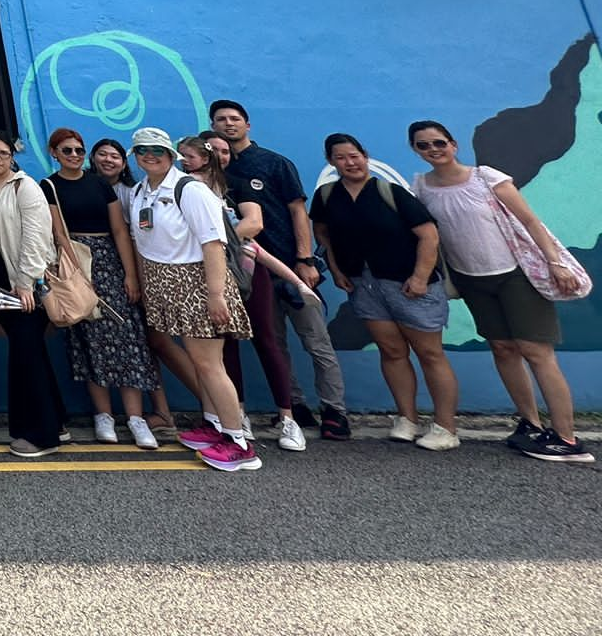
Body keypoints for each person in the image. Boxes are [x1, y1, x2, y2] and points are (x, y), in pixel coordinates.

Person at [408, 118, 591, 462]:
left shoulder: (487, 178)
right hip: (471, 280)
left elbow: (531, 221)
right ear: (415, 151)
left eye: (439, 143)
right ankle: (531, 424)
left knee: (537, 353)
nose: (433, 150)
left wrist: (555, 262)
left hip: (515, 276)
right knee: (503, 349)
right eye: (423, 145)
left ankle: (566, 439)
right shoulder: (421, 188)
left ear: (453, 145)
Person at [310, 133, 458, 451]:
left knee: (430, 354)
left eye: (354, 155)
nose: (350, 163)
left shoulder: (391, 193)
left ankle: (446, 427)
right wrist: (336, 270)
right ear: (331, 162)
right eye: (341, 158)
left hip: (409, 285)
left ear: (365, 156)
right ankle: (407, 419)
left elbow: (429, 236)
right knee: (391, 352)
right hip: (364, 286)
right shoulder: (325, 196)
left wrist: (419, 277)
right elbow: (323, 234)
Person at [125, 126, 260, 472]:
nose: (149, 157)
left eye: (157, 151)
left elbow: (213, 243)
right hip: (165, 282)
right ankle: (215, 425)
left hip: (197, 280)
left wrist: (216, 295)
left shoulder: (191, 189)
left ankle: (239, 442)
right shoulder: (141, 191)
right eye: (142, 152)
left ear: (172, 155)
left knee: (210, 364)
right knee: (200, 362)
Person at [213, 99, 349, 440]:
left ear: (247, 125)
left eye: (234, 119)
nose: (228, 124)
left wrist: (304, 259)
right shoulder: (217, 173)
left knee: (317, 341)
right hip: (249, 273)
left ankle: (335, 410)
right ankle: (295, 406)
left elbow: (297, 210)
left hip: (290, 265)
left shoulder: (274, 163)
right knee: (273, 343)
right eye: (220, 120)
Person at [179, 133, 305, 452]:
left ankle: (288, 418)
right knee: (225, 348)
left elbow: (254, 222)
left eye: (225, 151)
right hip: (202, 273)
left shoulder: (238, 184)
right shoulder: (182, 188)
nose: (220, 155)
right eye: (213, 150)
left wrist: (214, 237)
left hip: (245, 269)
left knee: (266, 338)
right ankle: (238, 414)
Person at [43, 127, 158, 449]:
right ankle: (103, 415)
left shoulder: (99, 185)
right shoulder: (49, 186)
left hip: (109, 260)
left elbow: (120, 230)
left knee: (127, 338)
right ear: (54, 153)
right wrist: (78, 273)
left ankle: (136, 418)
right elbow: (58, 234)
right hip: (75, 263)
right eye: (67, 151)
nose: (75, 156)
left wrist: (131, 275)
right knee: (89, 340)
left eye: (80, 150)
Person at [0, 131, 67, 459]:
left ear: (12, 156)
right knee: (29, 348)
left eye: (2, 153)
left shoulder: (25, 187)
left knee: (25, 351)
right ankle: (57, 423)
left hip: (22, 277)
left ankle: (40, 436)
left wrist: (26, 282)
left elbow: (36, 238)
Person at [90, 133, 187, 432]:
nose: (108, 159)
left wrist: (135, 278)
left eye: (114, 155)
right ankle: (161, 412)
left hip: (141, 274)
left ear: (123, 163)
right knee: (138, 343)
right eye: (102, 154)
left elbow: (136, 237)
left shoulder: (133, 193)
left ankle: (205, 410)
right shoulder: (93, 190)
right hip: (106, 277)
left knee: (154, 343)